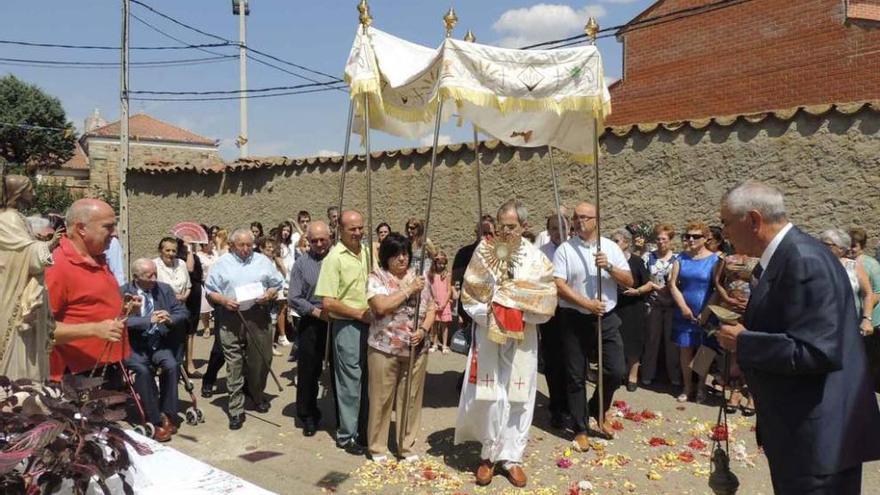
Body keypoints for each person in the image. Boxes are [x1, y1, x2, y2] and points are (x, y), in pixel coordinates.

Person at [717, 181, 880, 494]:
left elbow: (819, 350)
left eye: (725, 223)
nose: (723, 232)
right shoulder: (788, 256)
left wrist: (744, 341)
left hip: (819, 438)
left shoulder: (803, 259)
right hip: (803, 431)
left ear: (753, 220)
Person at [455, 200, 557, 488]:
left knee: (519, 395)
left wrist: (518, 311)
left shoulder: (537, 259)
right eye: (502, 226)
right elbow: (469, 294)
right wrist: (491, 315)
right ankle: (488, 455)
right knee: (490, 393)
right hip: (490, 334)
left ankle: (512, 458)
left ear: (524, 226)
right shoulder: (484, 252)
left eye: (511, 227)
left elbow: (547, 299)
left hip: (523, 335)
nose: (506, 232)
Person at [553, 202, 633, 451]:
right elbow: (559, 284)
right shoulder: (565, 249)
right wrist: (586, 303)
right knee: (576, 375)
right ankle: (580, 428)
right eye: (576, 218)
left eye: (584, 217)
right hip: (574, 318)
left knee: (615, 370)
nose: (579, 221)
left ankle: (597, 409)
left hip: (605, 317)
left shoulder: (609, 247)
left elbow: (629, 280)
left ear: (596, 219)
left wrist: (608, 266)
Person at [205, 228, 284, 430]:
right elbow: (210, 291)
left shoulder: (262, 261)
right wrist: (223, 300)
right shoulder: (221, 264)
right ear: (231, 245)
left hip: (258, 316)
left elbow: (276, 284)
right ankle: (236, 409)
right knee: (234, 364)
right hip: (231, 318)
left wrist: (269, 294)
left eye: (249, 244)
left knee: (262, 360)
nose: (246, 249)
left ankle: (256, 395)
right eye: (241, 245)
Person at [366, 232, 436, 462]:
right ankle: (377, 447)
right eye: (396, 254)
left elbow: (432, 307)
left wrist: (424, 329)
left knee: (410, 399)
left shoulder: (419, 277)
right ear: (386, 257)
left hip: (415, 349)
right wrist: (407, 290)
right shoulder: (377, 277)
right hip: (385, 348)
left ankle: (406, 445)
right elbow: (380, 306)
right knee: (382, 399)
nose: (402, 259)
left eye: (405, 253)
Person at [46, 199, 127, 380]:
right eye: (108, 227)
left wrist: (124, 308)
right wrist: (94, 329)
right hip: (77, 377)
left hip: (106, 366)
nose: (114, 234)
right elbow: (41, 330)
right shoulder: (58, 267)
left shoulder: (97, 258)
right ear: (81, 228)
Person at [315, 210, 372, 454]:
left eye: (360, 228)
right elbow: (328, 302)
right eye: (352, 229)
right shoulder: (334, 258)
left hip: (371, 324)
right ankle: (346, 435)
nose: (358, 233)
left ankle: (364, 429)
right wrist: (359, 314)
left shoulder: (367, 253)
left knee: (368, 380)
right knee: (350, 382)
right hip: (348, 325)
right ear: (341, 230)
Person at [122, 258, 189, 442]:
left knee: (172, 365)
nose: (153, 278)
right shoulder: (124, 292)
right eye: (148, 275)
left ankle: (168, 413)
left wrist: (170, 319)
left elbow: (182, 312)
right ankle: (154, 418)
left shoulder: (164, 289)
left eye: (155, 274)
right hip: (134, 346)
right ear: (136, 276)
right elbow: (119, 320)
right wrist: (147, 320)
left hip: (158, 342)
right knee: (143, 371)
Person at [0, 175, 60, 380]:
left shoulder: (19, 217)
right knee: (17, 343)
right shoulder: (8, 219)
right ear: (19, 192)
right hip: (12, 292)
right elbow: (27, 254)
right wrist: (50, 245)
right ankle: (15, 388)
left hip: (26, 288)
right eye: (30, 189)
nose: (34, 194)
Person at [289, 221, 332, 437]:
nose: (319, 244)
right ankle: (308, 415)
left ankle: (344, 417)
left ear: (330, 237)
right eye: (314, 240)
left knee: (339, 371)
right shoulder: (301, 264)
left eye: (322, 239)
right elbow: (294, 297)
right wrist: (316, 313)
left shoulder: (338, 260)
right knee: (308, 371)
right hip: (312, 320)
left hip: (339, 320)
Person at [668, 222, 719, 403]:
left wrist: (705, 313)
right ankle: (687, 387)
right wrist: (683, 307)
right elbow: (672, 283)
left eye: (695, 236)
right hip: (684, 312)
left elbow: (716, 288)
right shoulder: (681, 258)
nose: (690, 239)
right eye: (687, 235)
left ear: (706, 238)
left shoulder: (715, 260)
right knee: (686, 351)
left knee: (704, 352)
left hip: (706, 311)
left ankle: (701, 387)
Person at [711, 245, 759, 415]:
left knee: (753, 351)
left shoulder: (759, 255)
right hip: (729, 308)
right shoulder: (727, 258)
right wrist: (725, 297)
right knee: (731, 353)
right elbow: (718, 280)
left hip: (753, 309)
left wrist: (753, 302)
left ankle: (753, 395)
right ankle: (735, 391)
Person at [537, 214, 569, 429]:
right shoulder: (540, 253)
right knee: (554, 362)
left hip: (574, 310)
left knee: (573, 361)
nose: (559, 232)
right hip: (551, 312)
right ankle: (556, 407)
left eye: (562, 228)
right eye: (554, 228)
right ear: (549, 231)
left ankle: (571, 404)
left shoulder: (575, 249)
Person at [610, 228, 651, 392]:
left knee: (633, 342)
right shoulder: (610, 263)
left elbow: (648, 284)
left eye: (616, 240)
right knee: (617, 342)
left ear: (626, 243)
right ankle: (619, 372)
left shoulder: (636, 261)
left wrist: (637, 291)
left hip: (633, 307)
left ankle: (632, 375)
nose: (613, 244)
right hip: (616, 306)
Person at [640, 223, 680, 386]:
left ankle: (675, 376)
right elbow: (643, 277)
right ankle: (648, 373)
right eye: (658, 239)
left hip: (671, 305)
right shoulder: (648, 257)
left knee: (672, 343)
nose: (660, 242)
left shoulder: (677, 259)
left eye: (664, 239)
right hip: (654, 304)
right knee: (652, 340)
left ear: (670, 240)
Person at [819, 229, 874, 334]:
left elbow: (868, 294)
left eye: (827, 244)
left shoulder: (853, 267)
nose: (821, 247)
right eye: (820, 243)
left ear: (841, 249)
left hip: (849, 324)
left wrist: (867, 319)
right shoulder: (814, 265)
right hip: (821, 325)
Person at [153, 237, 193, 373]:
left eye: (174, 250)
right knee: (163, 342)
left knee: (179, 343)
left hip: (180, 308)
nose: (171, 253)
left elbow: (188, 286)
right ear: (160, 251)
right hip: (162, 309)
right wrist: (172, 297)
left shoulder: (181, 263)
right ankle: (162, 371)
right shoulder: (154, 265)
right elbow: (152, 288)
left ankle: (177, 372)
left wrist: (184, 296)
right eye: (167, 250)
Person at [850, 227, 880, 389]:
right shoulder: (847, 263)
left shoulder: (870, 264)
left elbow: (878, 291)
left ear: (862, 246)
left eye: (854, 245)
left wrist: (865, 313)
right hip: (853, 320)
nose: (851, 249)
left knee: (871, 361)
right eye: (849, 245)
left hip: (871, 322)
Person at [428, 250, 455, 354]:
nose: (442, 265)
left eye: (443, 263)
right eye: (439, 263)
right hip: (435, 302)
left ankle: (444, 345)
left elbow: (449, 290)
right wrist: (433, 300)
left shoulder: (447, 274)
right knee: (434, 324)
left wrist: (444, 303)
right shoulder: (431, 274)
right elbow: (430, 288)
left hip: (444, 302)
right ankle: (434, 344)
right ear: (435, 263)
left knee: (444, 326)